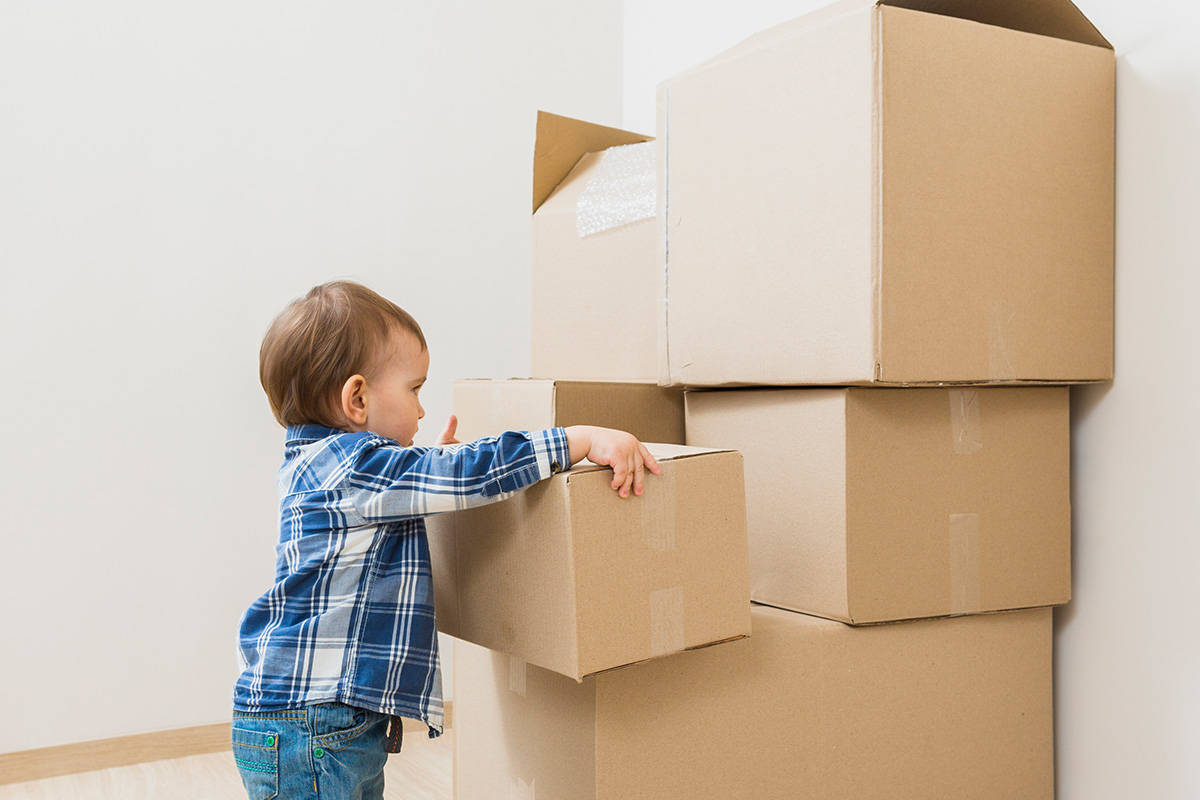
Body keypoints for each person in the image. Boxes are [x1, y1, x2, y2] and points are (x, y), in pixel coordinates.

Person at [231, 280, 659, 799]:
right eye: (414, 389)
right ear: (358, 398)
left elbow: (395, 505)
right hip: (313, 726)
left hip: (317, 722)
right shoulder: (353, 466)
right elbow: (469, 473)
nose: (422, 408)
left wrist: (420, 474)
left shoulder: (323, 463)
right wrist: (582, 439)